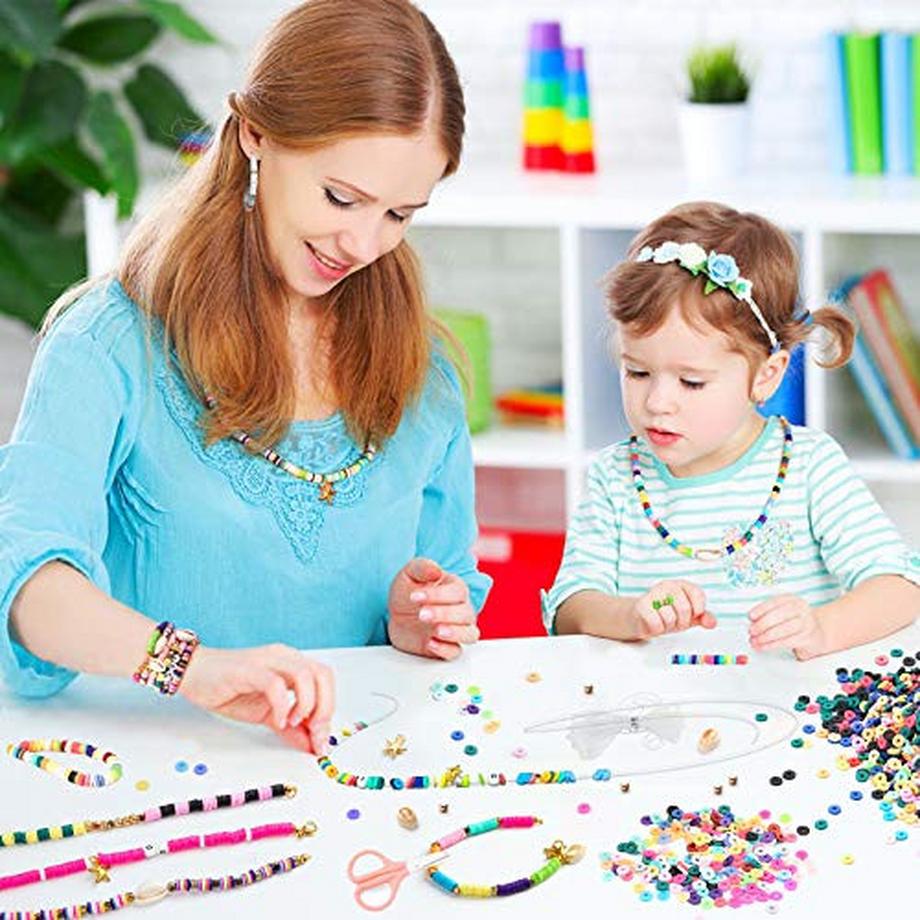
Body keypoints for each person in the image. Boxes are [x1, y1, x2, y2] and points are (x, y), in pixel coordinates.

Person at [0, 0, 490, 754]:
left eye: (399, 214)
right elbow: (28, 588)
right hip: (153, 783)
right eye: (342, 197)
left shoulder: (421, 372)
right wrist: (191, 667)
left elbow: (446, 581)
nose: (363, 243)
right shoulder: (109, 341)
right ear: (255, 132)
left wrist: (417, 620)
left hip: (351, 774)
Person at [543, 201, 919, 658]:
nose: (657, 402)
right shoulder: (615, 477)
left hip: (788, 715)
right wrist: (630, 615)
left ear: (767, 375)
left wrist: (823, 627)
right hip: (653, 717)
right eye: (637, 372)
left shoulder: (808, 467)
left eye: (691, 381)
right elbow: (569, 609)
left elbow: (900, 588)